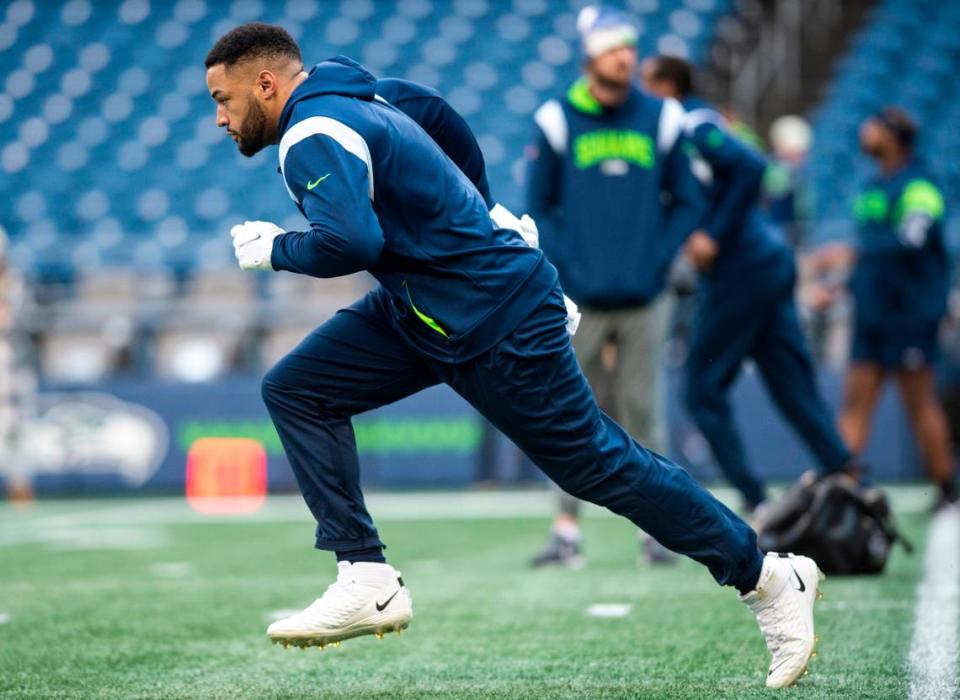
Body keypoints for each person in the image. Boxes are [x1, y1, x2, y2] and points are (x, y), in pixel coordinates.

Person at [204, 22, 824, 688]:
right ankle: (365, 574)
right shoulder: (364, 96)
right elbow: (439, 115)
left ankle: (766, 577)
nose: (220, 118)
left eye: (224, 99)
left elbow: (352, 241)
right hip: (429, 309)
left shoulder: (310, 131)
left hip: (495, 316)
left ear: (265, 84)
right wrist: (483, 209)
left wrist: (278, 249)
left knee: (600, 464)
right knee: (298, 389)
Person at [525, 6, 704, 567]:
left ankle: (658, 533)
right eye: (612, 49)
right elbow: (539, 207)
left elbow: (690, 200)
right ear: (590, 58)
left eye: (629, 48)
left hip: (646, 294)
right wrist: (567, 269)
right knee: (568, 410)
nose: (624, 57)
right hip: (577, 297)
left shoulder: (663, 117)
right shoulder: (556, 118)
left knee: (644, 411)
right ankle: (566, 531)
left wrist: (657, 260)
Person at [641, 55, 857, 514]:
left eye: (648, 84)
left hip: (744, 268)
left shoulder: (691, 123)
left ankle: (756, 500)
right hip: (764, 265)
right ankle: (848, 477)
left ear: (668, 87)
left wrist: (711, 234)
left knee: (701, 389)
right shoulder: (679, 129)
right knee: (790, 384)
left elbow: (752, 167)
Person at [810, 108, 956, 510]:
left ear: (893, 136)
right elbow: (871, 260)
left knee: (919, 401)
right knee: (855, 399)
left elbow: (911, 240)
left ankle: (947, 487)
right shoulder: (874, 186)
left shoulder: (920, 185)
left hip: (910, 312)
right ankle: (841, 487)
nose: (865, 132)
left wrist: (848, 254)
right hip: (871, 311)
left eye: (873, 126)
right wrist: (840, 286)